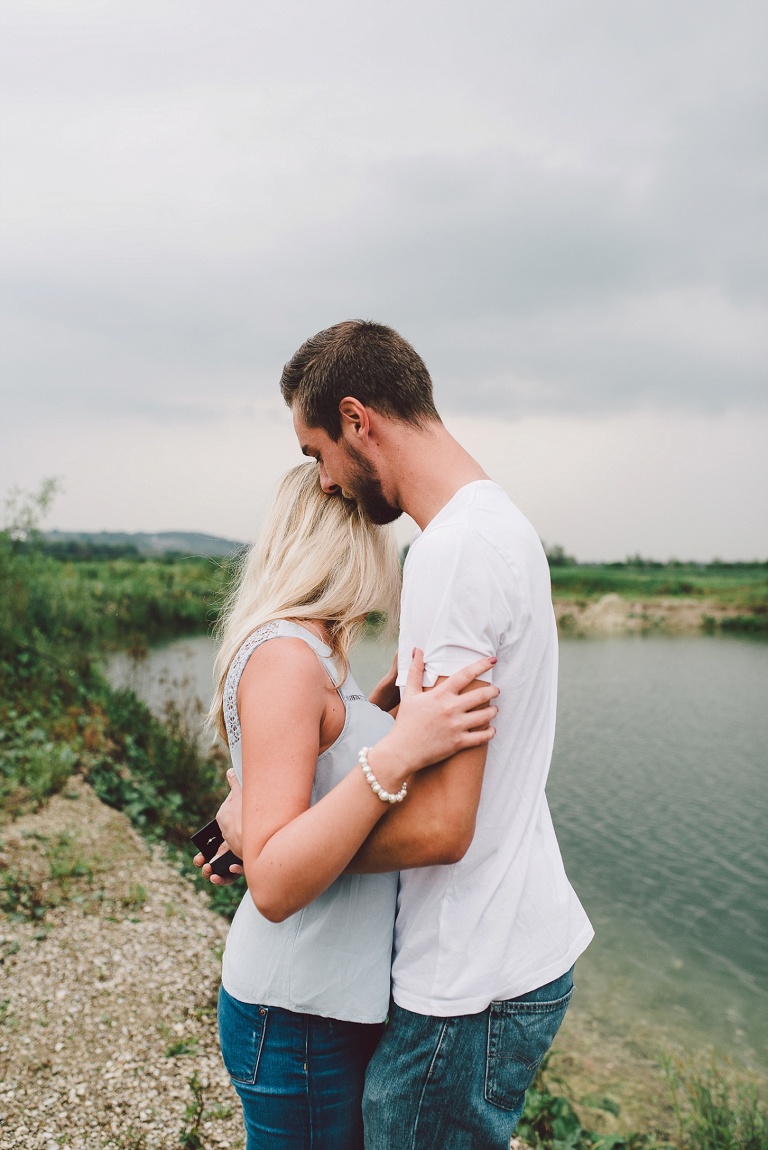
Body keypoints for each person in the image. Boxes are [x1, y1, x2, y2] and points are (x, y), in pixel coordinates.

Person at [278, 320, 595, 1149]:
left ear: (357, 420)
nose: (328, 484)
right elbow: (460, 764)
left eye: (317, 453)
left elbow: (444, 825)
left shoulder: (452, 553)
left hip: (471, 974)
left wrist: (281, 847)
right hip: (506, 942)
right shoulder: (497, 525)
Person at [197, 461, 500, 1150]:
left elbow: (314, 764)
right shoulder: (285, 657)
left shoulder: (315, 651)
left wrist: (390, 706)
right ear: (353, 541)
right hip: (298, 1014)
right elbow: (273, 884)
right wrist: (398, 752)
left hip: (318, 1009)